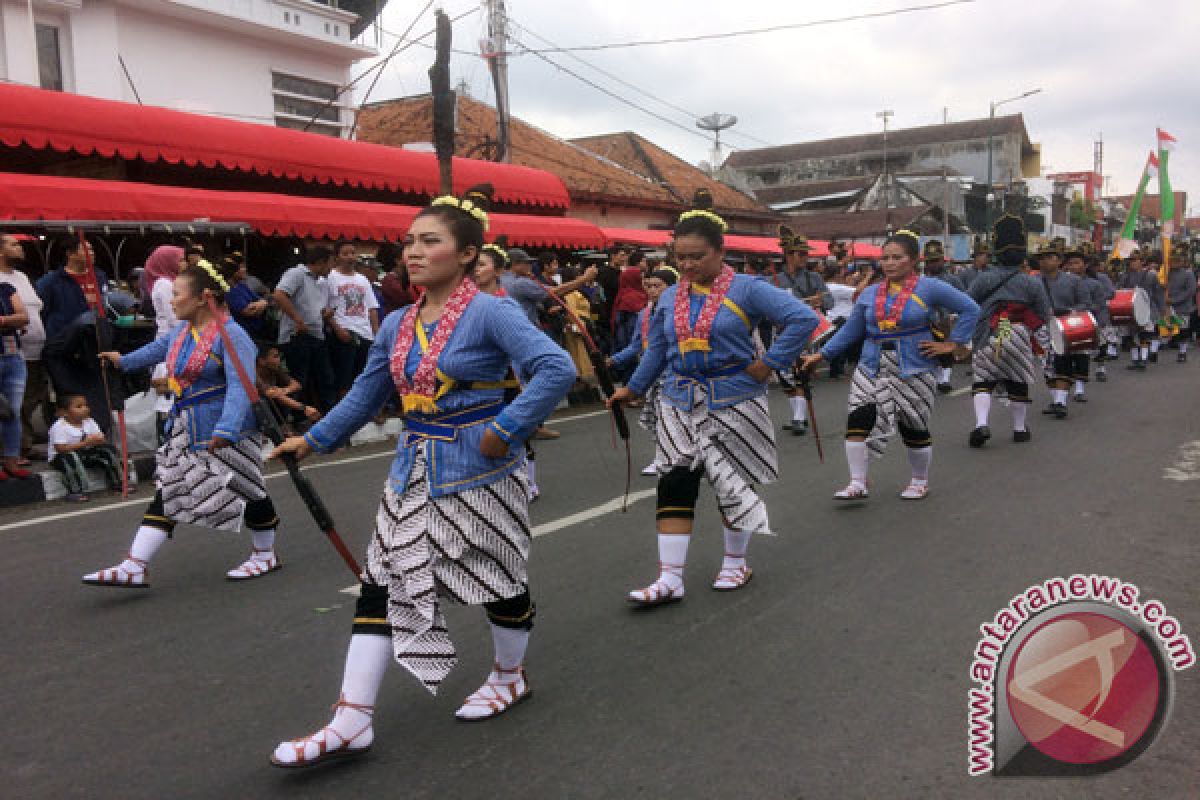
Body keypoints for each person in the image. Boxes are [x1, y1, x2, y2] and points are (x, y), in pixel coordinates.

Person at [269, 186, 576, 768]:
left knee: (496, 577)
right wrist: (313, 439)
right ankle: (352, 718)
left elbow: (554, 368)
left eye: (429, 241)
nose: (413, 251)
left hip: (480, 470)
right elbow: (368, 391)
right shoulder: (400, 321)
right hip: (413, 470)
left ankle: (510, 675)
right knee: (382, 581)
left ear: (465, 255)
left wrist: (506, 427)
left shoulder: (492, 310)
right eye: (410, 241)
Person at [608, 194, 819, 605]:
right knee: (674, 483)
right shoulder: (669, 296)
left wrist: (770, 362)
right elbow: (657, 349)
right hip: (678, 398)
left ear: (721, 251)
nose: (686, 266)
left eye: (696, 257)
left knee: (731, 482)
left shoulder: (747, 288)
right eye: (679, 257)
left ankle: (735, 563)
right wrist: (633, 387)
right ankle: (670, 578)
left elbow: (803, 319)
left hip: (734, 399)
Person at [82, 260, 284, 587]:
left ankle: (265, 554)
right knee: (172, 488)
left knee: (246, 488)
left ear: (203, 297)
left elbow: (241, 386)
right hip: (186, 425)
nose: (171, 300)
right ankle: (134, 565)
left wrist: (227, 429)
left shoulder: (232, 335)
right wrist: (122, 361)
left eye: (177, 294)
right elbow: (155, 351)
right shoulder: (182, 331)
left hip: (225, 427)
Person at [800, 229, 980, 501]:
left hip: (915, 367)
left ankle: (919, 480)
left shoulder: (930, 287)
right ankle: (858, 482)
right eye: (885, 258)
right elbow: (852, 330)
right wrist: (821, 355)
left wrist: (953, 344)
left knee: (913, 427)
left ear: (913, 260)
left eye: (897, 257)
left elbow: (971, 309)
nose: (890, 263)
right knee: (858, 420)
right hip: (871, 365)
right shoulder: (870, 293)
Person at [965, 215, 1052, 447]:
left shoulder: (984, 279)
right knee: (1017, 380)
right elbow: (1044, 313)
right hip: (1018, 333)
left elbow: (967, 304)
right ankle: (1019, 429)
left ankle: (981, 423)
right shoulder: (1032, 282)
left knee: (984, 379)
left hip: (991, 331)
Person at [610, 267, 677, 476]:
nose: (652, 291)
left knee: (674, 420)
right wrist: (613, 360)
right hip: (652, 373)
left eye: (658, 286)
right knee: (657, 420)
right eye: (648, 286)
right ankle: (661, 457)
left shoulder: (679, 310)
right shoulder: (644, 314)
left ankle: (677, 457)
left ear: (672, 288)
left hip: (675, 374)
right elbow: (637, 345)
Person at [774, 224, 832, 436]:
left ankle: (799, 419)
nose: (805, 258)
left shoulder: (814, 278)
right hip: (781, 331)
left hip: (806, 332)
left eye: (806, 253)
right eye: (800, 254)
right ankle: (797, 416)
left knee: (800, 373)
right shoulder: (775, 280)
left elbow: (830, 301)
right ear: (788, 255)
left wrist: (820, 300)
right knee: (783, 375)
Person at [0, 234, 47, 463]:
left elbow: (28, 313)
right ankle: (14, 451)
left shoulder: (20, 277)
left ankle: (22, 446)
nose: (20, 248)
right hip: (12, 350)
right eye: (13, 244)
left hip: (35, 348)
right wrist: (13, 321)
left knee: (29, 400)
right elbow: (18, 317)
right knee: (11, 404)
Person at [274, 246, 337, 412]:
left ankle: (327, 416)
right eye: (331, 263)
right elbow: (279, 294)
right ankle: (296, 419)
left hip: (316, 335)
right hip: (297, 336)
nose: (332, 268)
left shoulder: (319, 281)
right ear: (322, 262)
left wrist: (324, 314)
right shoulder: (297, 274)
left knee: (325, 377)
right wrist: (297, 319)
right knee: (299, 380)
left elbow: (312, 307)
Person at [1036, 240, 1089, 417]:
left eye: (1049, 257)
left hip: (1066, 325)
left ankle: (1060, 401)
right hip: (1042, 327)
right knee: (1046, 365)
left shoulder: (1074, 281)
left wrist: (1069, 311)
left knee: (1063, 362)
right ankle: (1055, 399)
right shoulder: (1032, 281)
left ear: (1059, 261)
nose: (1044, 261)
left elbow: (1085, 304)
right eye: (1041, 258)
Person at [324, 240, 380, 398]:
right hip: (344, 331)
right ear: (337, 257)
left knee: (362, 375)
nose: (350, 257)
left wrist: (377, 334)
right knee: (344, 376)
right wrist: (337, 328)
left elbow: (372, 308)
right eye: (345, 253)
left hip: (365, 332)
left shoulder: (362, 279)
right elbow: (326, 308)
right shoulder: (330, 277)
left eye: (353, 253)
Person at [142, 245, 185, 440]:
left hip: (174, 341)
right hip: (171, 344)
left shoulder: (170, 282)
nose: (184, 264)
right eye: (180, 260)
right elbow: (175, 318)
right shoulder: (165, 285)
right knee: (169, 394)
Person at [48, 393, 123, 501]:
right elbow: (60, 448)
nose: (85, 409)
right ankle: (75, 490)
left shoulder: (89, 421)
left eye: (86, 405)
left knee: (107, 450)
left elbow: (100, 438)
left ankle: (118, 481)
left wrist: (99, 440)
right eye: (79, 407)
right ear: (64, 412)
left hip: (83, 453)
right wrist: (86, 443)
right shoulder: (60, 426)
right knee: (70, 456)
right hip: (61, 457)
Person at [921, 239, 965, 393]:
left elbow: (964, 300)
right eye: (930, 261)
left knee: (946, 350)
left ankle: (944, 380)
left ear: (942, 260)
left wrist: (957, 316)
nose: (933, 264)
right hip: (925, 321)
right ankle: (938, 378)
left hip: (947, 320)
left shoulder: (953, 279)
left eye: (936, 260)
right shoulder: (920, 281)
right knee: (930, 351)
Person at [0, 266, 31, 479]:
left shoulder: (5, 289)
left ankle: (11, 460)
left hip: (12, 355)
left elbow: (23, 317)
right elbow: (17, 319)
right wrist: (10, 321)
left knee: (13, 411)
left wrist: (3, 321)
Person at [256, 343, 320, 433]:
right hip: (258, 412)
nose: (279, 360)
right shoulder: (255, 375)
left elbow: (297, 385)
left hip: (274, 403)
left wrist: (284, 390)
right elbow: (275, 396)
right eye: (275, 356)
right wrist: (304, 408)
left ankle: (295, 423)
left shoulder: (275, 369)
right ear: (262, 361)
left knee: (293, 391)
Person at [1119, 249, 1164, 371]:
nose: (1132, 263)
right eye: (1131, 260)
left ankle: (1143, 359)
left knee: (1144, 336)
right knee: (1131, 336)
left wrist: (1161, 309)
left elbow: (1157, 293)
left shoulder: (1150, 275)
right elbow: (1120, 292)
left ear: (1142, 261)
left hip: (1146, 309)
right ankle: (1134, 360)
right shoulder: (1125, 276)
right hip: (1130, 310)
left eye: (1135, 260)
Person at [224, 251, 270, 340]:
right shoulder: (229, 291)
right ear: (233, 270)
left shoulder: (242, 286)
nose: (245, 269)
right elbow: (248, 312)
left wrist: (257, 305)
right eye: (241, 267)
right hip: (243, 336)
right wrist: (259, 305)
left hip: (255, 334)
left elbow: (263, 301)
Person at [1165, 241, 1196, 363]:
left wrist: (1174, 300)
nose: (1174, 263)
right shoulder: (1167, 273)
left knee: (1183, 331)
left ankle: (1182, 352)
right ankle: (1154, 351)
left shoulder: (1188, 274)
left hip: (1182, 307)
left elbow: (1190, 291)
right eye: (1173, 260)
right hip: (1168, 307)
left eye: (1177, 261)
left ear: (1182, 262)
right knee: (1165, 328)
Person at [611, 259, 648, 353]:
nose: (643, 280)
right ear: (634, 279)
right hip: (632, 346)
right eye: (640, 277)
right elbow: (631, 328)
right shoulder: (632, 298)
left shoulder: (623, 294)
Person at [378, 242, 420, 317]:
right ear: (397, 260)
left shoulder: (408, 277)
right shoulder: (390, 280)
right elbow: (406, 299)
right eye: (408, 257)